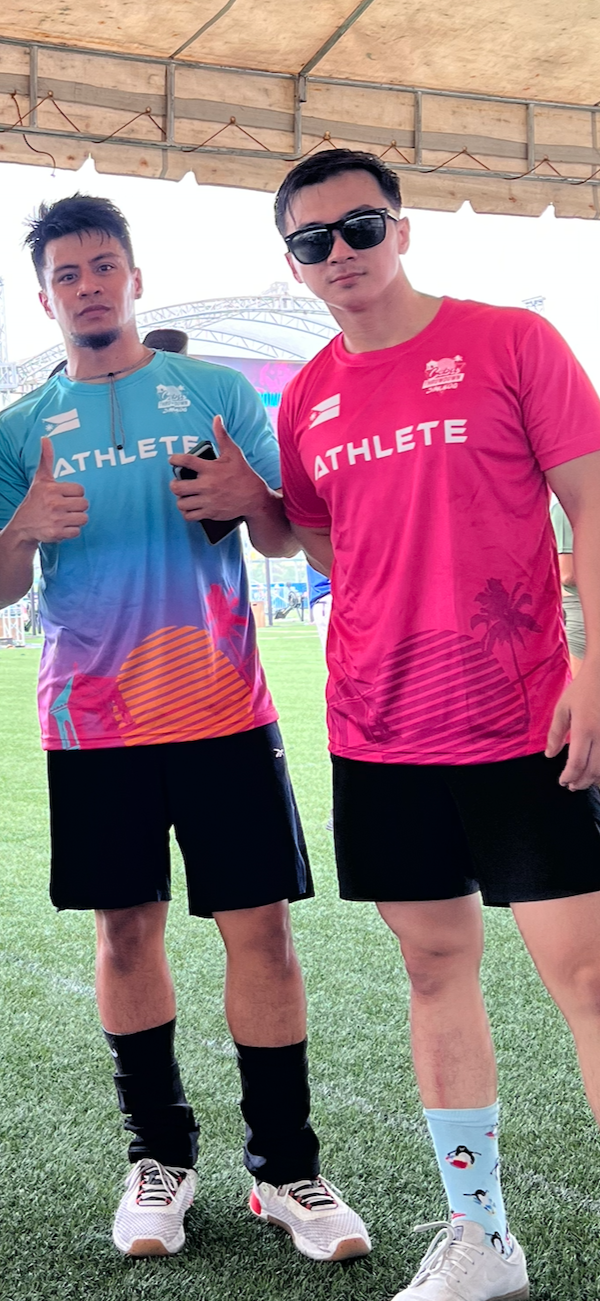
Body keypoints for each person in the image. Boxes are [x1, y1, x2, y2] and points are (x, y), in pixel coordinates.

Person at [0, 192, 369, 1264]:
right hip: (89, 722)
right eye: (68, 274)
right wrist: (23, 526)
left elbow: (285, 536)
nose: (88, 286)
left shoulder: (217, 390)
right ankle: (157, 1158)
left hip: (222, 710)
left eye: (105, 266)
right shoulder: (16, 429)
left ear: (134, 277)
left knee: (262, 931)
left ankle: (286, 1168)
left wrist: (252, 493)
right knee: (125, 932)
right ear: (49, 295)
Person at [270, 147, 600, 1301]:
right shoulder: (307, 395)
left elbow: (593, 501)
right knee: (434, 967)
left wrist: (598, 661)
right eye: (314, 241)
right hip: (379, 727)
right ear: (296, 266)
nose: (341, 254)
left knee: (589, 973)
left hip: (524, 717)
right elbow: (325, 541)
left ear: (401, 227)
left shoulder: (513, 341)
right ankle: (482, 1237)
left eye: (359, 227)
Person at [551, 497, 585, 671]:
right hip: (582, 609)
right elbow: (568, 574)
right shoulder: (566, 509)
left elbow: (568, 575)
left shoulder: (565, 508)